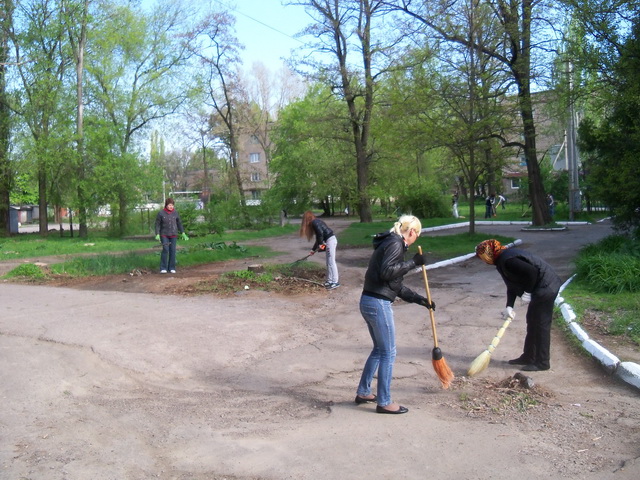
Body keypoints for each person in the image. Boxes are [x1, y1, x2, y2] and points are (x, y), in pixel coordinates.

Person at [355, 215, 435, 414]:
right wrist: (413, 263)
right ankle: (384, 401)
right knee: (388, 352)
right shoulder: (395, 244)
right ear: (412, 232)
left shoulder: (390, 243)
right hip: (378, 304)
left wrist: (420, 299)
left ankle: (364, 392)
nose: (417, 238)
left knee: (379, 350)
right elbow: (387, 272)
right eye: (418, 234)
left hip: (369, 300)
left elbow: (395, 284)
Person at [475, 239, 562, 371]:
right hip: (541, 287)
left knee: (541, 324)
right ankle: (529, 356)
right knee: (532, 321)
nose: (483, 260)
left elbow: (532, 272)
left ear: (488, 254)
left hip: (547, 287)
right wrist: (509, 306)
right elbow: (511, 284)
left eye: (482, 257)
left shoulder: (508, 260)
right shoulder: (502, 260)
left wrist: (527, 292)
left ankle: (542, 362)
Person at [299, 211, 339, 289]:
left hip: (331, 240)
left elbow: (320, 234)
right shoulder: (316, 222)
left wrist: (321, 244)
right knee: (328, 262)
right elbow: (318, 238)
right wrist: (313, 250)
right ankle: (330, 281)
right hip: (328, 241)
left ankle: (335, 281)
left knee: (331, 262)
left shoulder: (315, 222)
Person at [155, 198, 188, 274]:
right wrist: (157, 233)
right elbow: (157, 224)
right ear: (166, 205)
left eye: (172, 205)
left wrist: (183, 232)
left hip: (173, 234)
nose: (171, 206)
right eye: (169, 205)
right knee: (166, 249)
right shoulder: (161, 213)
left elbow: (179, 223)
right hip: (164, 234)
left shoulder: (175, 213)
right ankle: (163, 268)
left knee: (173, 251)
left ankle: (172, 267)